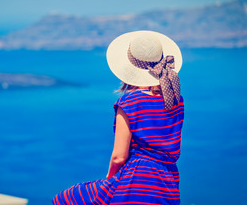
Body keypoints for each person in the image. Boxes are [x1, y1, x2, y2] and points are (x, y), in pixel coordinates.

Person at [52, 31, 184, 205]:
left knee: (64, 200)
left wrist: (111, 178)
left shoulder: (129, 102)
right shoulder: (176, 99)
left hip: (136, 180)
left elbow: (119, 157)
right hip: (168, 182)